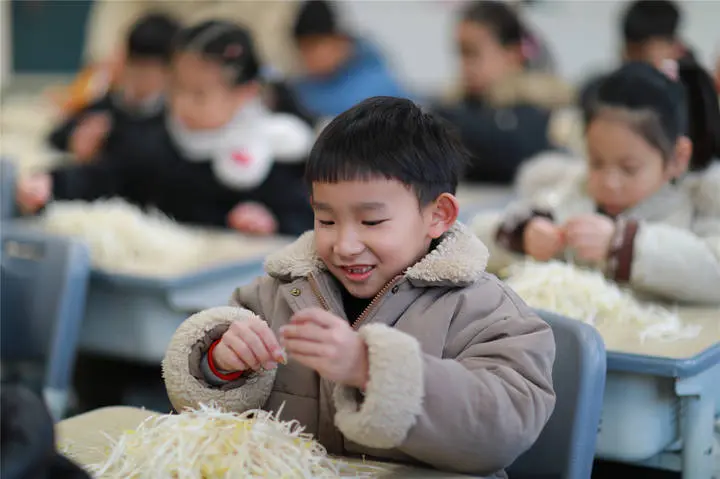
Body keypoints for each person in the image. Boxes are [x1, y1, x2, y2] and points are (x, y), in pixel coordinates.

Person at [162, 96, 556, 476]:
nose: (345, 245)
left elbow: (502, 429)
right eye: (327, 221)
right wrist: (220, 364)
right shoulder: (277, 294)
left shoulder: (486, 312)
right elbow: (205, 412)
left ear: (438, 215)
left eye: (371, 222)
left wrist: (375, 370)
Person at [16, 21, 315, 236]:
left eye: (199, 94)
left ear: (245, 93)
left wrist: (273, 221)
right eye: (176, 89)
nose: (182, 104)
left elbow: (311, 216)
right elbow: (109, 175)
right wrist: (52, 182)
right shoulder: (156, 137)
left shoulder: (270, 151)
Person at [473, 61, 720, 305]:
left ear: (677, 158)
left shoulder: (698, 205)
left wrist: (622, 246)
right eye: (597, 163)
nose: (609, 182)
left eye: (628, 169)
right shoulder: (573, 191)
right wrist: (522, 237)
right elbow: (474, 241)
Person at [433, 0, 575, 184]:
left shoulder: (542, 105)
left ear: (512, 55)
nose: (464, 65)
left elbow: (518, 152)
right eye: (460, 53)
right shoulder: (457, 104)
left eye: (472, 53)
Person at [47, 13, 180, 164]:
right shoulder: (108, 106)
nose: (141, 78)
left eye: (150, 70)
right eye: (136, 66)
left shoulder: (175, 115)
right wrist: (77, 137)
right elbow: (57, 137)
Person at [289, 0, 410, 118]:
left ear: (340, 40)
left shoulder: (379, 88)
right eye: (301, 49)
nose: (306, 57)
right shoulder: (306, 85)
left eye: (311, 47)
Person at [579, 0, 688, 115]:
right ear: (637, 48)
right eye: (669, 42)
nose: (677, 51)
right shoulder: (600, 93)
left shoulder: (595, 90)